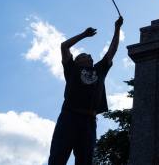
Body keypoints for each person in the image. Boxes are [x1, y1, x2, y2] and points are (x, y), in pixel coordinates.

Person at [48, 17, 123, 165]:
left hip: (89, 121)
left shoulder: (99, 70)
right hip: (69, 117)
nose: (89, 56)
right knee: (57, 157)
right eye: (83, 55)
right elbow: (64, 46)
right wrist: (84, 35)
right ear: (77, 61)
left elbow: (112, 51)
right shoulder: (72, 69)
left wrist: (117, 28)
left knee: (85, 160)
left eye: (89, 55)